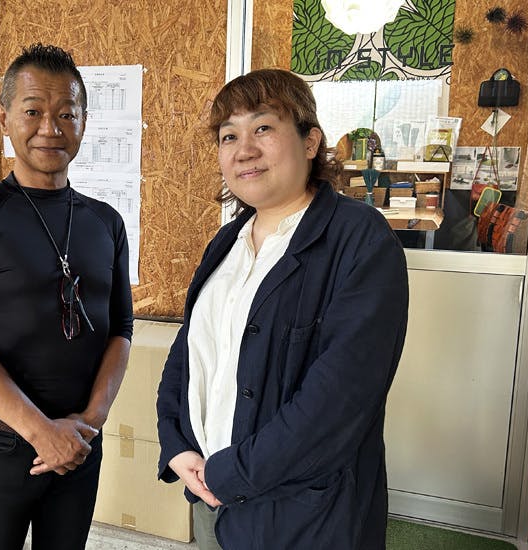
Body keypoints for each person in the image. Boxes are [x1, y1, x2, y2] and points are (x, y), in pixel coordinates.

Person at [156, 68, 408, 549]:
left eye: (264, 128)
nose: (244, 150)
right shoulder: (228, 242)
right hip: (210, 492)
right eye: (229, 136)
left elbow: (338, 399)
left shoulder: (359, 240)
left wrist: (230, 473)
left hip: (304, 515)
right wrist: (176, 444)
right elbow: (190, 352)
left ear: (310, 141)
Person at [0, 43, 133, 550]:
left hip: (80, 444)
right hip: (1, 445)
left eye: (67, 113)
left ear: (84, 122)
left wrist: (89, 422)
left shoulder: (105, 222)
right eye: (33, 111)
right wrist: (42, 432)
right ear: (4, 118)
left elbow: (120, 330)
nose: (51, 127)